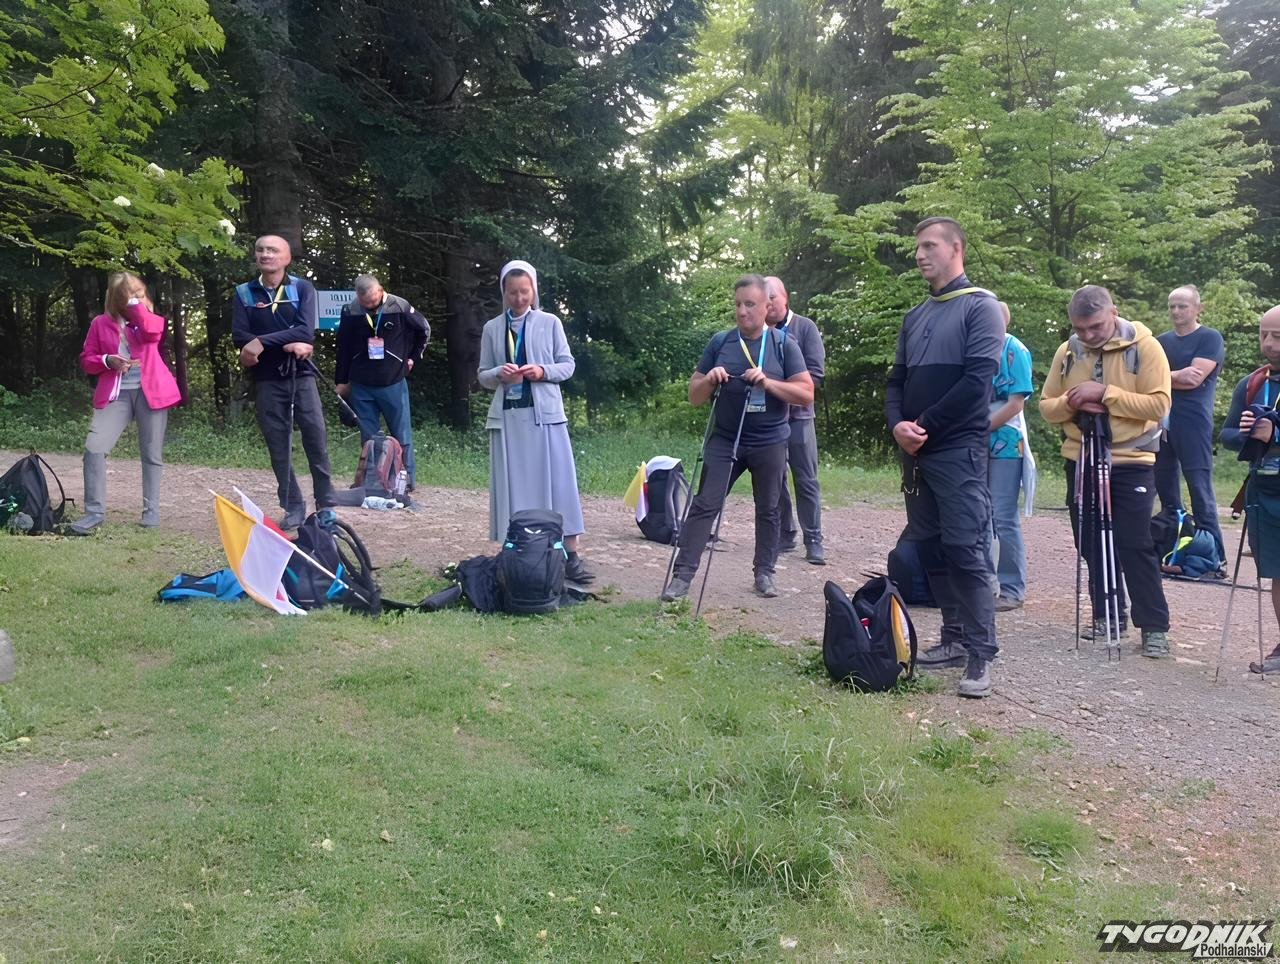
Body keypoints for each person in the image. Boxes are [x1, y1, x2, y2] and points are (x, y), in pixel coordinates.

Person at [887, 216, 1003, 698]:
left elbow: (976, 384)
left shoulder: (982, 308)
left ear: (957, 249)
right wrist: (897, 425)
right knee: (931, 546)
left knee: (965, 548)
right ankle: (952, 638)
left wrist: (923, 426)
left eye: (930, 245)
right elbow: (895, 381)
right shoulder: (915, 316)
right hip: (916, 451)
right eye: (918, 247)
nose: (920, 255)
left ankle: (980, 652)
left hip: (957, 450)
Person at [662, 274, 813, 601]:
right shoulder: (721, 342)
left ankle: (764, 573)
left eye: (750, 304)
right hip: (726, 437)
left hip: (770, 439)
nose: (743, 311)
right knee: (705, 503)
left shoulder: (784, 345)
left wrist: (768, 383)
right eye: (738, 305)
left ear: (767, 306)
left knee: (769, 507)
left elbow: (805, 394)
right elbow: (694, 396)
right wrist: (710, 380)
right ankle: (682, 577)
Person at [1039, 285, 1173, 657]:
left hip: (1132, 460)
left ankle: (1154, 627)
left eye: (1095, 326)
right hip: (1081, 458)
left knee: (1134, 542)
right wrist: (1073, 401)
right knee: (1090, 541)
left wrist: (1104, 394)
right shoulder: (1067, 351)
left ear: (1113, 312)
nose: (1087, 335)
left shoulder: (1146, 347)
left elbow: (1159, 405)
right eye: (1080, 328)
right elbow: (1047, 406)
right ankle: (1107, 615)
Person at [477, 260, 593, 583]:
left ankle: (570, 555)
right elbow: (483, 375)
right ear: (504, 292)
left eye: (524, 292)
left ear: (534, 291)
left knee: (559, 484)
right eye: (512, 292)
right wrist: (498, 374)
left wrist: (542, 371)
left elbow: (567, 365)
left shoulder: (550, 323)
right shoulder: (492, 329)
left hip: (546, 418)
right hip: (509, 421)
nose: (518, 298)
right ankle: (516, 552)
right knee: (513, 487)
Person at [231, 234, 334, 530]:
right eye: (261, 250)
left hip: (301, 375)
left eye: (273, 250)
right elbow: (240, 336)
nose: (266, 254)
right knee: (278, 444)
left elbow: (305, 331)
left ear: (287, 258)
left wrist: (261, 342)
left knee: (316, 438)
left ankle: (325, 504)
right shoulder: (244, 292)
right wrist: (283, 341)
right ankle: (293, 506)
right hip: (266, 379)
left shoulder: (302, 288)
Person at [70, 271, 182, 534]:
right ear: (115, 299)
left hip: (151, 391)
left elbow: (152, 333)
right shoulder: (100, 323)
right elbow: (87, 360)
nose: (135, 299)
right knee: (94, 449)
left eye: (139, 294)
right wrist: (107, 360)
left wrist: (137, 307)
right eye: (128, 296)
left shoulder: (150, 319)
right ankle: (94, 513)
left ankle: (151, 511)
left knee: (151, 453)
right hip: (115, 392)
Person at [1218, 304, 1280, 674]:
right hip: (1263, 491)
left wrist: (1276, 434)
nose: (1269, 344)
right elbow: (1225, 435)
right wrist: (1245, 433)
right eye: (1264, 335)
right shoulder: (1253, 383)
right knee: (1276, 571)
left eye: (1278, 336)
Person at [335, 274, 431, 491]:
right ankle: (373, 481)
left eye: (373, 301)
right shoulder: (350, 310)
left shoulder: (399, 306)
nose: (369, 306)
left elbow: (424, 330)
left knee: (401, 434)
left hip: (392, 381)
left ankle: (405, 481)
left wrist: (412, 358)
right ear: (357, 296)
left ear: (380, 291)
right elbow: (343, 347)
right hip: (361, 383)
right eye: (365, 303)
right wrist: (341, 381)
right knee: (369, 437)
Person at [1155, 284, 1227, 562]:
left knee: (1199, 489)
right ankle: (1173, 552)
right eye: (1172, 306)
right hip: (1160, 423)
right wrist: (1175, 375)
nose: (1176, 311)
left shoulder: (1209, 338)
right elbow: (1143, 378)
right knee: (1166, 490)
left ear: (1198, 308)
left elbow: (1193, 379)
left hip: (1194, 423)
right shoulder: (1161, 342)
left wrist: (1161, 377)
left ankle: (1214, 558)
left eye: (1182, 306)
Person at [765, 276, 827, 565]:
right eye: (764, 300)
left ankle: (813, 539)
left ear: (785, 297)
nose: (769, 304)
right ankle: (785, 533)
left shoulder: (805, 327)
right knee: (774, 478)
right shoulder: (760, 334)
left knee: (806, 479)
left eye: (773, 298)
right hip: (770, 419)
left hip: (800, 418)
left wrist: (780, 388)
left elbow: (816, 376)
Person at [987, 301, 1036, 611]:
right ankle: (983, 583)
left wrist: (981, 427)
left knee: (1002, 515)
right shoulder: (974, 348)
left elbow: (1017, 403)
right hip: (975, 440)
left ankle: (1012, 588)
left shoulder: (1015, 350)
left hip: (1005, 440)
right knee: (979, 514)